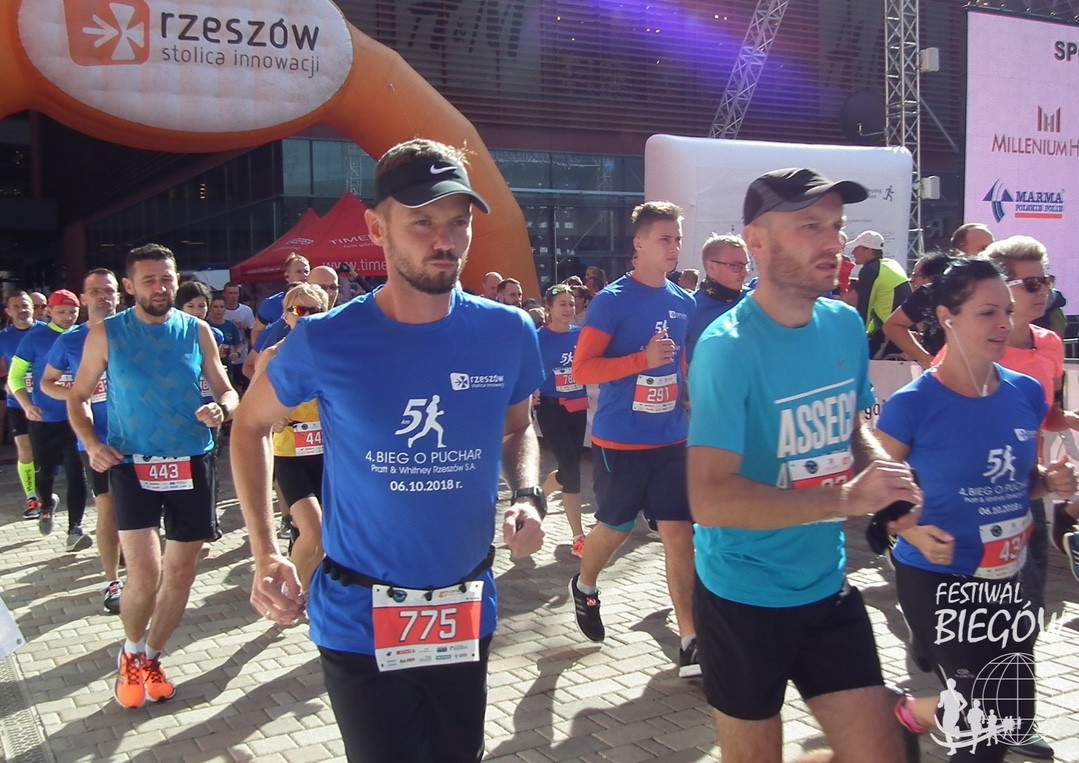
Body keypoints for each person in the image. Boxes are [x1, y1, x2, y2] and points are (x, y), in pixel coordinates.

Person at [230, 138, 545, 763]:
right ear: (377, 228)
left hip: (464, 606)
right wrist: (265, 552)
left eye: (458, 222)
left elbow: (517, 429)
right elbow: (249, 427)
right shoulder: (326, 339)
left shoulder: (507, 330)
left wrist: (529, 495)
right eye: (422, 222)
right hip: (359, 612)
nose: (445, 240)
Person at [687, 167, 922, 762]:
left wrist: (890, 490)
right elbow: (710, 499)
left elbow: (850, 428)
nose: (833, 242)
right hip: (742, 598)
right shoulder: (727, 348)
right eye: (810, 226)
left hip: (824, 585)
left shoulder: (842, 326)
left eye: (837, 226)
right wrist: (846, 500)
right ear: (757, 241)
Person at [878, 257, 1075, 763]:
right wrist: (911, 531)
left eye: (1006, 311)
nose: (1004, 323)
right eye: (988, 313)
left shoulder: (1025, 392)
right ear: (948, 317)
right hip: (941, 580)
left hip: (1010, 575)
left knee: (1004, 713)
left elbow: (1019, 483)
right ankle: (917, 710)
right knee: (984, 730)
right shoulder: (913, 404)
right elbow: (872, 493)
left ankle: (911, 713)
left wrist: (1050, 482)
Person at [67, 243, 238, 709]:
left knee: (181, 572)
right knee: (145, 573)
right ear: (129, 286)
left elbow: (227, 390)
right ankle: (130, 650)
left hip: (192, 460)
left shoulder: (197, 330)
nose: (160, 289)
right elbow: (77, 397)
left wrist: (221, 409)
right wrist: (93, 444)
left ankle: (153, 656)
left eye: (167, 279)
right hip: (132, 463)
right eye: (149, 281)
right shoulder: (106, 333)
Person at [567, 201, 700, 679]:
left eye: (677, 239)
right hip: (620, 442)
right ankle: (585, 584)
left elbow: (679, 364)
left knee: (679, 532)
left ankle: (690, 640)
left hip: (671, 439)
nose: (674, 247)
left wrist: (691, 393)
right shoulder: (613, 301)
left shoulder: (684, 301)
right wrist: (641, 361)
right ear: (638, 244)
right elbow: (583, 370)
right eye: (665, 238)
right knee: (617, 528)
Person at [41, 269, 124, 613]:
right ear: (84, 298)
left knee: (144, 510)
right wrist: (77, 394)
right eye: (95, 291)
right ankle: (113, 581)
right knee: (107, 507)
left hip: (142, 437)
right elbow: (46, 382)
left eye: (109, 291)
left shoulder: (136, 332)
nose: (103, 297)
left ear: (119, 295)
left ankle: (141, 568)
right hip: (97, 440)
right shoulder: (71, 340)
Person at [258, 283, 331, 586]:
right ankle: (292, 592)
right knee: (314, 531)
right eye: (298, 310)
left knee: (326, 537)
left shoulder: (335, 355)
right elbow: (253, 412)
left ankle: (312, 588)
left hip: (329, 456)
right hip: (289, 454)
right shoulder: (273, 355)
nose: (305, 316)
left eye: (314, 310)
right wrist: (271, 419)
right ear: (286, 316)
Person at [8, 289, 90, 548]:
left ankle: (75, 529)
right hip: (44, 419)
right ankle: (46, 504)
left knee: (77, 473)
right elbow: (14, 377)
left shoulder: (84, 335)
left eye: (72, 312)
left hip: (76, 418)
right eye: (61, 312)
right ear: (49, 311)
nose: (67, 317)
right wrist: (27, 405)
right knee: (45, 473)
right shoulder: (35, 338)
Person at [535, 284, 589, 557]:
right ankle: (578, 537)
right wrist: (529, 392)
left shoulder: (581, 335)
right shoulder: (537, 338)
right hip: (550, 409)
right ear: (548, 308)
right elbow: (522, 369)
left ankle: (538, 497)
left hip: (577, 408)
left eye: (571, 303)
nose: (569, 309)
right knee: (572, 470)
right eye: (562, 304)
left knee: (569, 469)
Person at [0, 291, 44, 518]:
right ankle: (32, 498)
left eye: (25, 305)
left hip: (47, 402)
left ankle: (47, 493)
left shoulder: (47, 331)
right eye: (16, 306)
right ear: (8, 311)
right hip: (17, 402)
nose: (22, 310)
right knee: (24, 449)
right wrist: (6, 384)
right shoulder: (3, 337)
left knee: (46, 452)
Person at [882, 251, 954, 368]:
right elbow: (892, 326)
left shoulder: (928, 293)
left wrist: (927, 360)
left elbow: (891, 325)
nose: (911, 280)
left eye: (916, 276)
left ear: (931, 278)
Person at [685, 233, 749, 364]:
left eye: (746, 265)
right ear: (711, 267)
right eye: (736, 266)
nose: (745, 273)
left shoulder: (754, 301)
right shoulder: (688, 308)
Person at [848, 230, 912, 358]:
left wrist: (856, 339)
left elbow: (864, 307)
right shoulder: (891, 264)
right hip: (904, 329)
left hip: (890, 332)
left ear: (869, 250)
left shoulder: (870, 270)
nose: (853, 252)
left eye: (857, 248)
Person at [251, 253, 310, 349]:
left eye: (306, 271)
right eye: (299, 271)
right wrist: (258, 354)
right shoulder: (271, 303)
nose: (304, 275)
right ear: (287, 276)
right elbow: (257, 331)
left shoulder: (318, 301)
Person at [223, 281, 255, 391]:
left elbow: (253, 333)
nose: (233, 296)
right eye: (230, 293)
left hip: (243, 353)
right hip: (225, 353)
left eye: (236, 293)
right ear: (224, 294)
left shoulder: (246, 311)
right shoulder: (220, 310)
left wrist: (245, 327)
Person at [208, 292, 244, 371]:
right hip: (207, 365)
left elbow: (239, 345)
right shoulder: (204, 325)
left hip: (226, 365)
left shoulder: (231, 326)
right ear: (210, 308)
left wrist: (237, 353)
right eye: (215, 307)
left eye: (221, 307)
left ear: (225, 308)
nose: (218, 310)